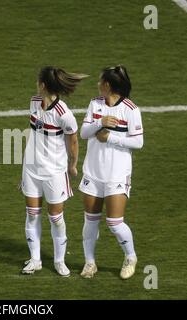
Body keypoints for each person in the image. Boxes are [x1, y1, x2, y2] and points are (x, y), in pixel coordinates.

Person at [21, 66, 88, 276]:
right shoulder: (33, 102)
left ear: (43, 85)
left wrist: (72, 165)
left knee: (56, 217)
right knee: (32, 215)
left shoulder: (64, 114)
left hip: (54, 173)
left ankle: (60, 261)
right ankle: (35, 259)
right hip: (31, 170)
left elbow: (74, 141)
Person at [79, 65, 144, 279]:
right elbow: (84, 132)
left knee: (115, 222)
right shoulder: (95, 104)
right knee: (91, 220)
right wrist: (100, 122)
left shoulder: (130, 109)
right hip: (93, 172)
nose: (97, 85)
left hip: (117, 173)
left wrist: (111, 137)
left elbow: (138, 142)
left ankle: (130, 256)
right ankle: (90, 263)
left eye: (100, 81)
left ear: (108, 85)